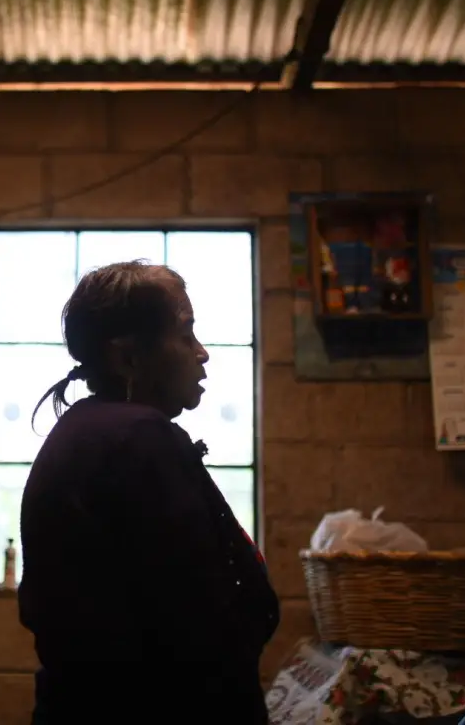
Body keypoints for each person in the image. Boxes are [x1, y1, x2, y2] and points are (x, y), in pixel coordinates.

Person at [18, 261, 280, 724]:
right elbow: (197, 616)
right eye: (185, 335)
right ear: (128, 358)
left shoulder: (86, 429)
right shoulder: (139, 436)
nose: (202, 353)